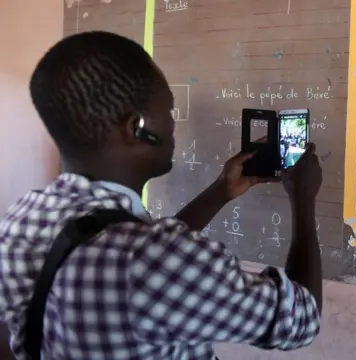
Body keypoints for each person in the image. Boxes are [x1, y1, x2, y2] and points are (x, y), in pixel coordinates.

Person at [0, 31, 323, 359]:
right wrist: (303, 197)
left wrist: (219, 192)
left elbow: (139, 249)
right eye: (168, 111)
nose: (173, 125)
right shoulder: (152, 260)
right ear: (137, 127)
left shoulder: (21, 220)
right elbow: (302, 319)